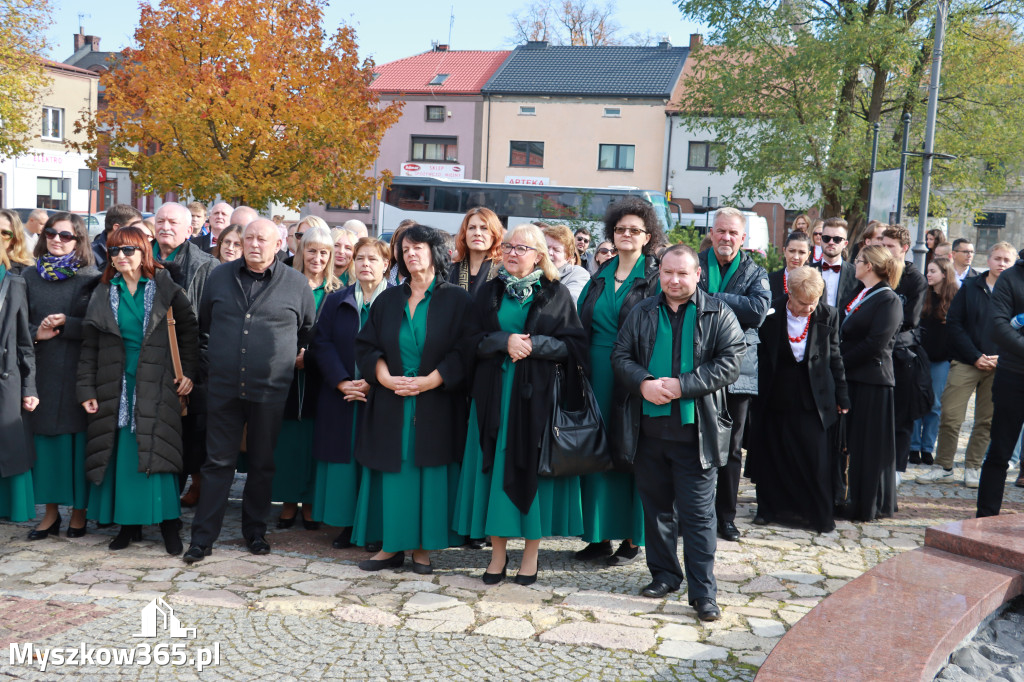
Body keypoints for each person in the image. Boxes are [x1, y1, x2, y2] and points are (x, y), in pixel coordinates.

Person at [610, 244, 744, 618]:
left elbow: (730, 363)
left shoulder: (719, 312)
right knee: (656, 511)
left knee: (699, 516)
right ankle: (665, 574)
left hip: (695, 434)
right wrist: (643, 384)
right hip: (649, 431)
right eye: (668, 273)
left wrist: (683, 385)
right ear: (660, 273)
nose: (674, 280)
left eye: (682, 273)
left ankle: (704, 594)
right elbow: (620, 357)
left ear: (697, 274)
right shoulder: (642, 311)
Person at [454, 224, 587, 584]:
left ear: (540, 256)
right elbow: (469, 341)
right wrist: (504, 340)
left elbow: (574, 347)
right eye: (509, 246)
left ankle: (530, 556)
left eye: (522, 248)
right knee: (494, 476)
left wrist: (533, 346)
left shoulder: (556, 294)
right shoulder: (488, 293)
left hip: (536, 404)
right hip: (493, 399)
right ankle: (497, 556)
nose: (513, 253)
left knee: (531, 474)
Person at [183, 219, 315, 563]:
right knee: (217, 463)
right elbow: (206, 325)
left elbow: (306, 331)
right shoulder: (219, 276)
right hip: (223, 387)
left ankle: (255, 531)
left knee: (262, 463)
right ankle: (203, 538)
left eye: (263, 239)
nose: (255, 244)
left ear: (280, 244)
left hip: (270, 390)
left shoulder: (297, 284)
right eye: (250, 238)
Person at [351, 225, 472, 574]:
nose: (411, 255)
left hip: (436, 402)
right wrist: (385, 378)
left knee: (427, 474)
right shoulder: (387, 299)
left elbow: (466, 350)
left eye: (418, 247)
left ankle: (422, 549)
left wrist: (432, 380)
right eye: (405, 250)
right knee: (394, 473)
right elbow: (366, 344)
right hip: (391, 400)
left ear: (436, 251)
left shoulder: (457, 299)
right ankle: (390, 546)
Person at [78, 227, 198, 553]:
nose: (120, 257)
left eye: (128, 250)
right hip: (115, 387)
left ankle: (170, 525)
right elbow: (89, 347)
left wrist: (188, 374)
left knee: (159, 454)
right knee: (125, 458)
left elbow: (190, 334)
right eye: (114, 251)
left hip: (158, 384)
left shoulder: (165, 288)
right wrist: (86, 389)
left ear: (144, 251)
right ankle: (128, 527)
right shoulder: (104, 292)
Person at [575, 196, 664, 564]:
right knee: (595, 452)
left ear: (647, 236)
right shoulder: (600, 275)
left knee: (630, 453)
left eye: (634, 230)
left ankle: (632, 537)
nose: (626, 234)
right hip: (595, 373)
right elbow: (580, 318)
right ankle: (597, 536)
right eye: (620, 229)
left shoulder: (656, 278)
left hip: (632, 376)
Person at [310, 237, 392, 550]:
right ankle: (346, 525)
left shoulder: (397, 301)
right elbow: (322, 343)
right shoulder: (337, 299)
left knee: (374, 461)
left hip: (380, 395)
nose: (365, 264)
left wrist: (372, 380)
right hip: (342, 395)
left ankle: (373, 528)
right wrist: (342, 381)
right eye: (360, 259)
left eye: (373, 259)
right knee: (344, 464)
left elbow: (400, 347)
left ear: (386, 264)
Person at [752, 267, 848, 533]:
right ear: (789, 295)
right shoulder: (770, 313)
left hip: (813, 397)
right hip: (775, 394)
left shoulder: (828, 315)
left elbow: (836, 358)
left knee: (815, 457)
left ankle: (817, 515)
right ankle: (768, 509)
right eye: (803, 303)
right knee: (774, 455)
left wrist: (843, 396)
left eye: (813, 302)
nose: (808, 308)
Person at [24, 213, 100, 540]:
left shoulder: (92, 277)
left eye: (66, 236)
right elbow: (14, 326)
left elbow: (102, 328)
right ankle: (51, 514)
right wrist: (37, 333)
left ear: (78, 239)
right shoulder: (27, 276)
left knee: (79, 445)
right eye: (52, 233)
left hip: (80, 373)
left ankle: (80, 514)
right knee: (49, 447)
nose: (57, 239)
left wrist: (68, 323)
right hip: (42, 372)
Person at [697, 207, 770, 542]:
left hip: (739, 371)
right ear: (712, 233)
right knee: (691, 441)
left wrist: (710, 299)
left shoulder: (755, 271)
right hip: (695, 366)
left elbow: (756, 312)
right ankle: (694, 513)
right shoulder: (693, 264)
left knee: (731, 448)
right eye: (721, 231)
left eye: (733, 233)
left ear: (743, 239)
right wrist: (731, 304)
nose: (726, 238)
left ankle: (725, 517)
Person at [919, 243, 1016, 487]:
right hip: (966, 360)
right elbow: (954, 323)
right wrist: (974, 355)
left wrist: (1002, 356)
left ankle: (973, 467)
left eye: (1006, 260)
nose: (1001, 263)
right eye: (997, 258)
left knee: (986, 420)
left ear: (1013, 263)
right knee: (950, 415)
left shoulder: (1018, 291)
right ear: (989, 259)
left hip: (1001, 364)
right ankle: (943, 466)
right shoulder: (972, 286)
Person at [271, 226, 341, 529]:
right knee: (287, 442)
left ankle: (311, 502)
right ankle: (287, 501)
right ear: (301, 252)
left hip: (319, 378)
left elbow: (338, 336)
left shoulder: (338, 291)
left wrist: (310, 358)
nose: (317, 257)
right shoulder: (284, 282)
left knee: (314, 440)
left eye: (324, 252)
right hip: (284, 375)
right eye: (312, 250)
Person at [149, 202, 219, 508]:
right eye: (160, 220)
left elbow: (210, 326)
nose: (165, 226)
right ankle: (154, 497)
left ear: (189, 229)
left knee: (190, 435)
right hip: (147, 363)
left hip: (188, 365)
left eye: (173, 222)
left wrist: (193, 370)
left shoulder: (207, 265)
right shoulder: (137, 255)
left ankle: (193, 487)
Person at [839, 245, 904, 522]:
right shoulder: (863, 293)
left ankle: (867, 503)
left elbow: (876, 343)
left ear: (870, 266)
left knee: (869, 446)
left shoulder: (888, 299)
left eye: (858, 260)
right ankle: (851, 497)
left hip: (873, 381)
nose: (855, 264)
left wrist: (840, 362)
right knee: (854, 443)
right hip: (856, 377)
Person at [976, 248, 1024, 517]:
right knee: (1000, 451)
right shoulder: (1011, 278)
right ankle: (985, 516)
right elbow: (998, 325)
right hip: (1013, 375)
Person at [880, 225, 928, 474]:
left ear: (904, 249)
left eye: (891, 247)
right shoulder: (877, 272)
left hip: (901, 354)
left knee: (901, 418)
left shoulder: (915, 279)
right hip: (877, 354)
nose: (885, 251)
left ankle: (897, 471)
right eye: (883, 245)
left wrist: (881, 329)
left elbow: (911, 319)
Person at [0, 245, 39, 523]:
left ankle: (14, 507)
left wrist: (29, 387)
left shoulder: (14, 283)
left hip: (7, 375)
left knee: (11, 444)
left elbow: (25, 342)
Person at [908, 258, 958, 466]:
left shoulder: (955, 298)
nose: (928, 274)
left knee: (935, 404)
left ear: (944, 274)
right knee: (916, 400)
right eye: (927, 271)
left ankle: (928, 447)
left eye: (933, 271)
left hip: (941, 360)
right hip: (921, 356)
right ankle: (913, 446)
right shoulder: (923, 295)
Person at [448, 207, 503, 297]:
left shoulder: (503, 272)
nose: (477, 233)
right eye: (472, 228)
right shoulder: (450, 271)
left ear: (495, 234)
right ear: (464, 234)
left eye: (484, 228)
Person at [816, 218, 859, 313]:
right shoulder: (808, 271)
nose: (831, 242)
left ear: (845, 244)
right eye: (826, 238)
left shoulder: (856, 274)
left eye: (837, 239)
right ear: (821, 240)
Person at [543, 224, 591, 304]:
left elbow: (569, 304)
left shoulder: (579, 274)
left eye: (556, 250)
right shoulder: (532, 270)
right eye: (547, 247)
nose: (549, 252)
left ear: (568, 257)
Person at [768, 231, 812, 300]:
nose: (796, 257)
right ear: (784, 251)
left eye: (801, 252)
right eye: (792, 251)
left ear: (808, 255)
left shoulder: (815, 283)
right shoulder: (770, 280)